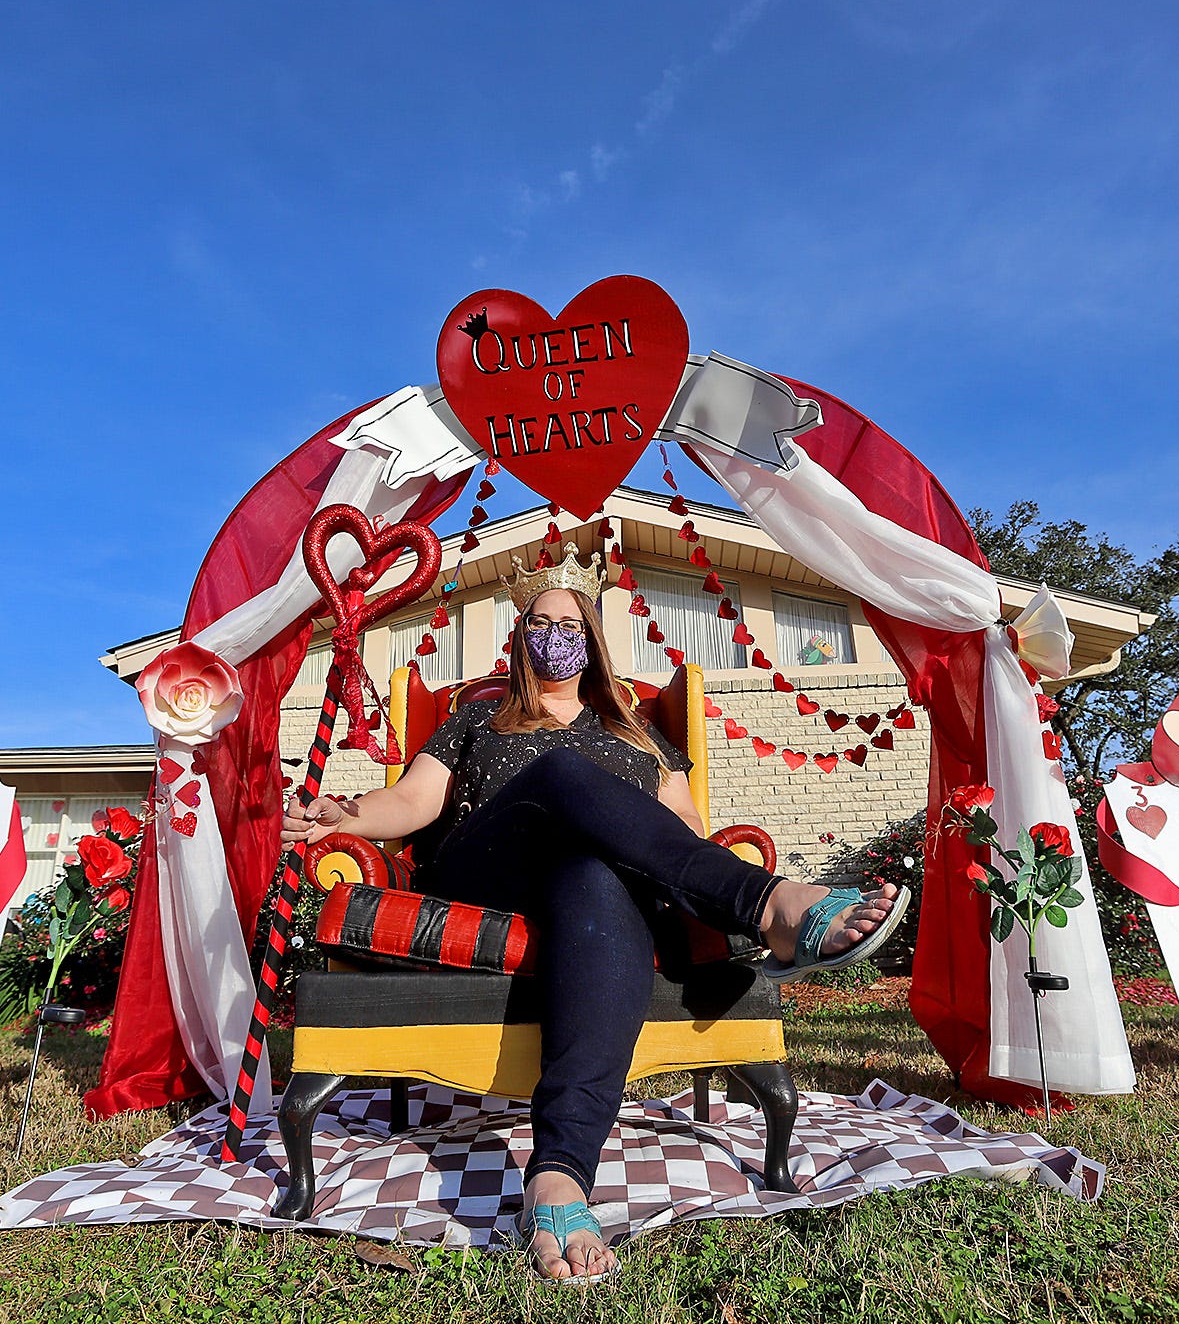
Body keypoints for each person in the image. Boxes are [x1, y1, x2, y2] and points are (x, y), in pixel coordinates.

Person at [281, 548, 908, 1284]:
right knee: (564, 773)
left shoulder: (637, 731)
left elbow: (682, 829)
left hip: (600, 892)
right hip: (490, 871)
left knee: (596, 878)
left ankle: (558, 1180)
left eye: (569, 626)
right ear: (520, 638)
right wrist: (346, 812)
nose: (554, 637)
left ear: (594, 642)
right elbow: (414, 803)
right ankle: (770, 904)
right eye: (540, 624)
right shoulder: (477, 720)